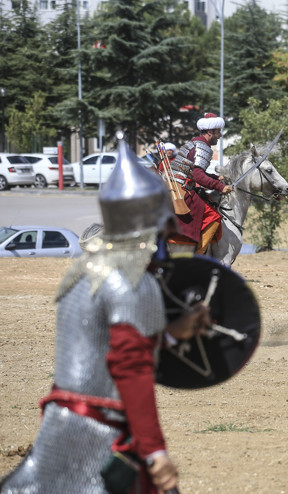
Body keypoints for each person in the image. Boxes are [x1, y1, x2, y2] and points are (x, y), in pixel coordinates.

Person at [0, 138, 211, 494]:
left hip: (62, 425)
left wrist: (173, 334)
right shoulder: (132, 282)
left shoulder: (84, 272)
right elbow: (131, 367)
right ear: (157, 219)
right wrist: (155, 452)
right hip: (99, 435)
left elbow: (105, 349)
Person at [167, 112, 234, 255]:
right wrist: (220, 187)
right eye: (218, 132)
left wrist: (215, 178)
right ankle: (199, 255)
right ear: (210, 132)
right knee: (214, 217)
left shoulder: (192, 142)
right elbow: (198, 176)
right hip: (182, 188)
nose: (220, 135)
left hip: (173, 184)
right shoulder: (204, 147)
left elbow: (193, 170)